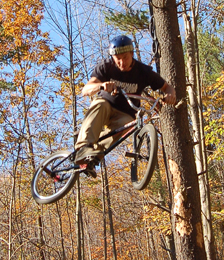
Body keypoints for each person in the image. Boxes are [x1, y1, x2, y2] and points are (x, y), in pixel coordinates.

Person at [74, 35, 176, 173]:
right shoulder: (106, 67)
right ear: (113, 58)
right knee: (100, 105)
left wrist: (170, 95)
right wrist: (102, 85)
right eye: (118, 59)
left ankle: (92, 158)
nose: (122, 62)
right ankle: (83, 148)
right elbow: (85, 90)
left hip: (125, 112)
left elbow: (167, 87)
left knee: (128, 125)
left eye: (125, 58)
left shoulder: (143, 72)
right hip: (106, 104)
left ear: (132, 54)